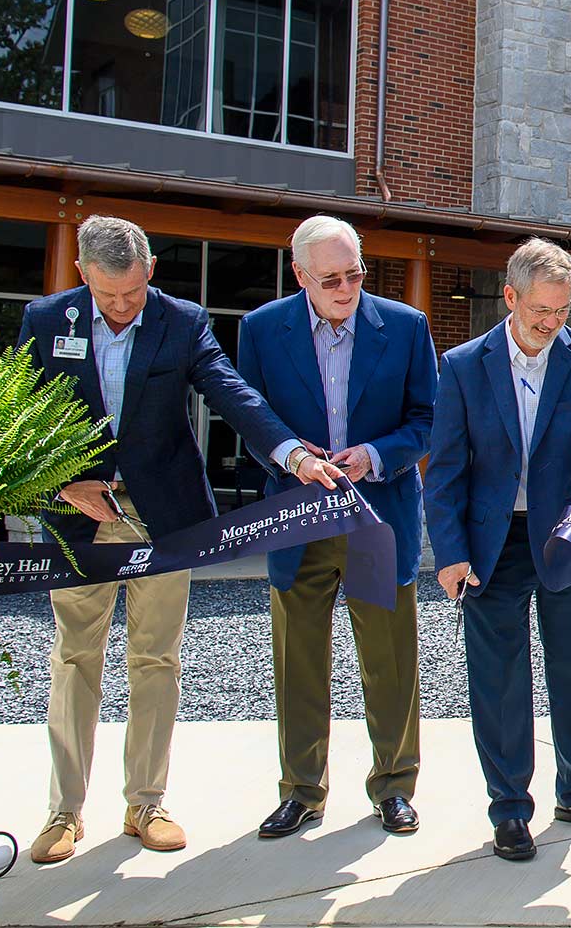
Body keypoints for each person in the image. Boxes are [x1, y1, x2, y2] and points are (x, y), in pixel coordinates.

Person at [17, 215, 344, 864]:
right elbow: (19, 412)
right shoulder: (46, 320)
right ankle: (64, 812)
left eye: (133, 293)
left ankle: (146, 804)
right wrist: (60, 485)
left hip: (162, 514)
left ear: (150, 274)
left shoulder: (182, 321)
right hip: (81, 511)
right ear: (83, 274)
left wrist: (292, 455)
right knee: (76, 658)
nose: (122, 307)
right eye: (108, 296)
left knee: (156, 659)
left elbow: (234, 395)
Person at [424, 237, 571, 863]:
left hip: (566, 537)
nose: (551, 322)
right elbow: (446, 469)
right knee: (499, 680)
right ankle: (510, 808)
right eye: (541, 309)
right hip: (491, 545)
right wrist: (450, 552)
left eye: (563, 310)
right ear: (509, 297)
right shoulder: (461, 365)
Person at [236, 216, 438, 841]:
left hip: (377, 518)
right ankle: (301, 791)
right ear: (299, 275)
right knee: (299, 661)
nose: (346, 288)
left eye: (355, 274)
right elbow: (251, 419)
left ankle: (395, 786)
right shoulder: (262, 330)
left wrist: (375, 455)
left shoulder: (405, 327)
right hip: (296, 519)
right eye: (331, 279)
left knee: (390, 660)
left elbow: (427, 419)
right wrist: (294, 456)